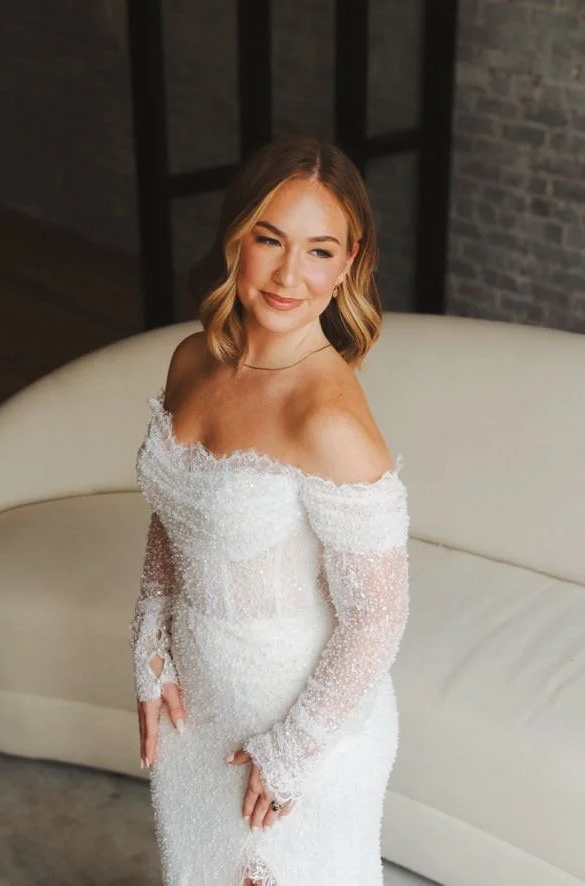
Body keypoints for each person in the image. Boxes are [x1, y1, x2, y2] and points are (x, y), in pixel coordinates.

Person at [130, 135, 410, 885]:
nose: (290, 275)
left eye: (320, 251)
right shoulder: (192, 359)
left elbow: (377, 616)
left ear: (348, 261)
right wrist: (150, 644)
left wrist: (292, 754)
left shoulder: (329, 419)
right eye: (269, 239)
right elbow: (174, 509)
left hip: (301, 723)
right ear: (235, 238)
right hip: (201, 711)